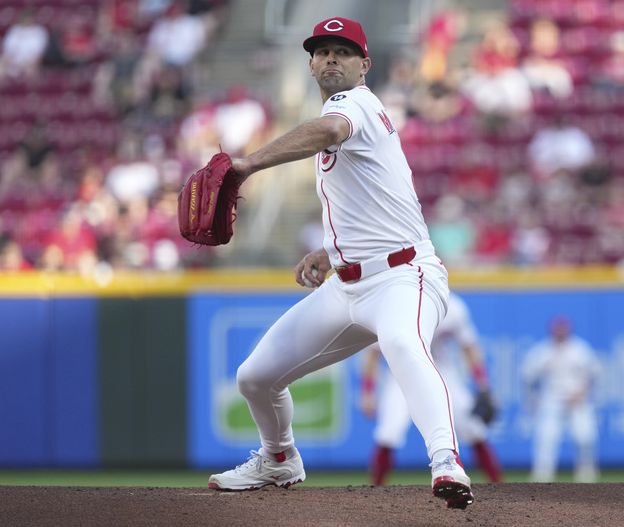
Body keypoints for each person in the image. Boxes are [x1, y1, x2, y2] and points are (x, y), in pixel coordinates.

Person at [206, 17, 474, 509]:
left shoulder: (356, 104)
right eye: (322, 51)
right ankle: (278, 457)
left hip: (403, 276)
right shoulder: (349, 113)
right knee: (254, 377)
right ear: (309, 63)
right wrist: (330, 253)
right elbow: (370, 202)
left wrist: (246, 165)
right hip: (348, 286)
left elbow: (329, 128)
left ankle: (446, 462)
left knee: (400, 340)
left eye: (344, 51)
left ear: (364, 65)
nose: (331, 58)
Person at [360, 292, 503, 486]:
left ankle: (498, 484)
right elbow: (372, 354)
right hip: (401, 373)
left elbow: (469, 347)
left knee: (474, 428)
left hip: (441, 369)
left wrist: (483, 385)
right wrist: (367, 391)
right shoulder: (397, 302)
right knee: (389, 431)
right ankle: (373, 489)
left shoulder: (452, 306)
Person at [521, 316, 602, 483]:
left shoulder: (580, 349)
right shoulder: (542, 351)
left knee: (584, 436)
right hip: (552, 399)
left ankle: (587, 477)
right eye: (557, 329)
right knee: (546, 438)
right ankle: (542, 477)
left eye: (562, 329)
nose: (560, 333)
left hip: (577, 399)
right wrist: (533, 399)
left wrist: (582, 392)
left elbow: (594, 374)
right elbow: (528, 377)